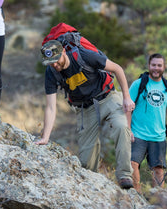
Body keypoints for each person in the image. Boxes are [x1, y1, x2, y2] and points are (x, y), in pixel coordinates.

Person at [35, 39, 136, 189]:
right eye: (50, 63)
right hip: (85, 108)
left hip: (107, 96)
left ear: (63, 51)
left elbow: (117, 68)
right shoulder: (51, 73)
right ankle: (93, 185)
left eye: (56, 61)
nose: (54, 65)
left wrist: (127, 97)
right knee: (87, 162)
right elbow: (50, 107)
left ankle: (124, 176)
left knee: (121, 127)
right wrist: (45, 137)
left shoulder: (84, 56)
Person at [127, 53, 167, 191]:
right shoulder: (138, 84)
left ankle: (158, 203)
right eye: (153, 65)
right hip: (138, 134)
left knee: (158, 170)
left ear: (164, 67)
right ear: (149, 66)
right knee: (132, 164)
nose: (156, 68)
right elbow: (127, 108)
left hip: (158, 137)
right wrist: (128, 130)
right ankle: (136, 198)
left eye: (159, 65)